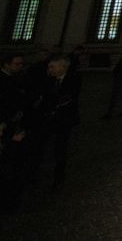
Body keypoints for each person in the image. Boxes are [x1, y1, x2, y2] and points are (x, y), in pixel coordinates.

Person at [36, 56, 82, 189]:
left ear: (63, 67)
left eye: (52, 67)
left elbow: (68, 97)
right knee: (40, 145)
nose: (49, 70)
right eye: (49, 67)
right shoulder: (48, 79)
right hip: (48, 118)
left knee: (60, 148)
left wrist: (51, 102)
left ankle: (59, 178)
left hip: (64, 119)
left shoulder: (74, 78)